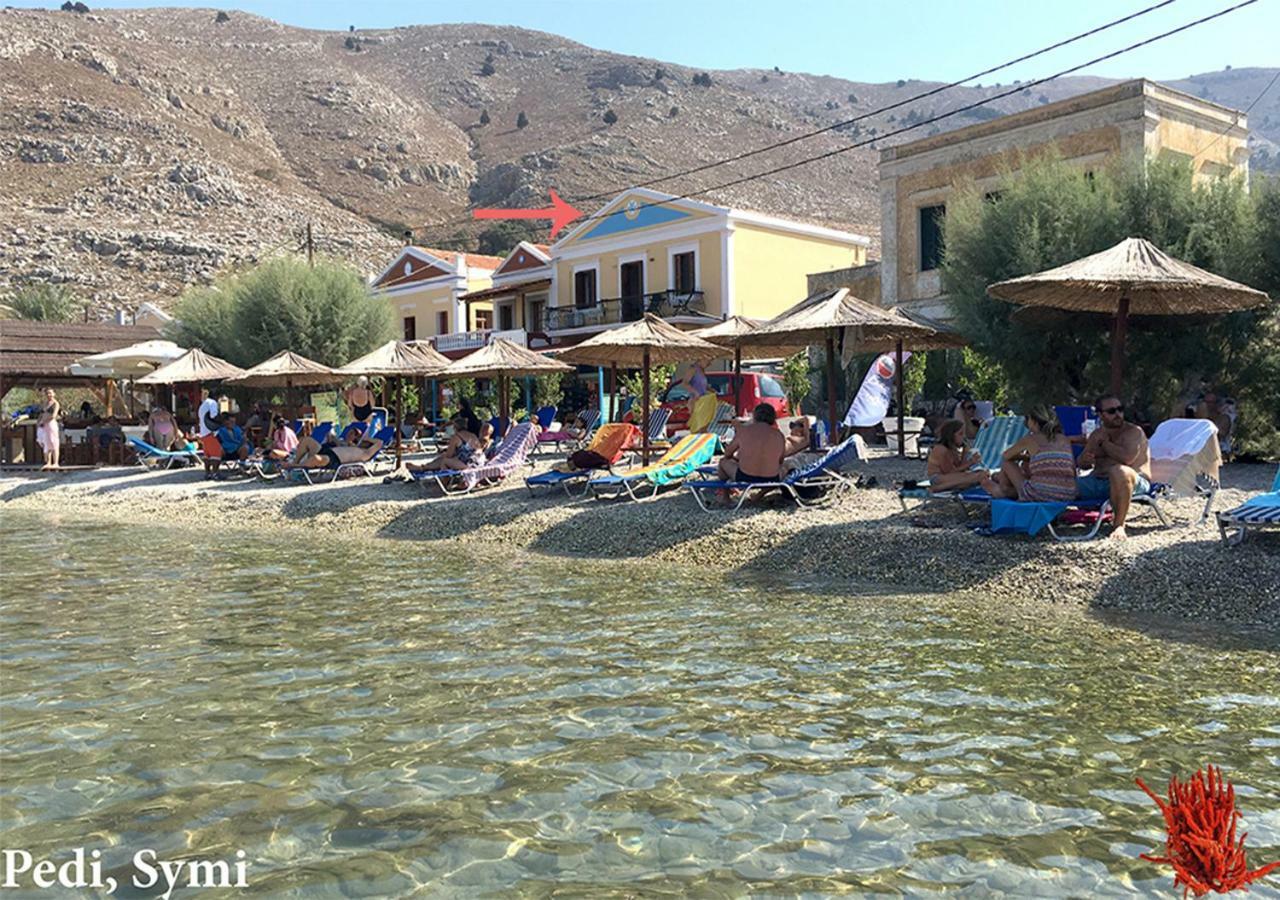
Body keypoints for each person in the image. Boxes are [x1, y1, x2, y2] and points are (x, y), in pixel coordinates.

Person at [1076, 394, 1152, 540]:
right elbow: (1081, 462)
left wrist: (1105, 444)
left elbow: (1127, 459)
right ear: (1100, 415)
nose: (1118, 414)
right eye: (1111, 411)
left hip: (1133, 481)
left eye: (1120, 409)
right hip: (1098, 480)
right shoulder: (1097, 434)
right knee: (1061, 483)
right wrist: (1085, 459)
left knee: (1119, 471)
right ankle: (1048, 519)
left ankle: (1119, 525)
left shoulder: (1133, 432)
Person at [980, 406, 1077, 502]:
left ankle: (1003, 489)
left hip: (1040, 494)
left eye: (1028, 419)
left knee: (1007, 462)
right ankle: (1006, 491)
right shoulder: (1064, 439)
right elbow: (1072, 470)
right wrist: (1029, 458)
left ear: (1034, 422)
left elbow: (1005, 455)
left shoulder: (1030, 439)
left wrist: (1023, 457)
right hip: (1069, 493)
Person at [717, 403, 786, 484]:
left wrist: (739, 459)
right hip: (772, 478)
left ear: (754, 416)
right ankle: (759, 495)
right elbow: (780, 461)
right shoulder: (779, 435)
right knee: (785, 467)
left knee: (723, 461)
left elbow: (727, 454)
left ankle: (726, 495)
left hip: (745, 477)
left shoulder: (744, 431)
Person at [406, 416, 483, 473]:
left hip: (468, 464)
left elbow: (448, 456)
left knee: (445, 460)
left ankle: (445, 480)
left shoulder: (456, 437)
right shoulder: (473, 435)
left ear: (455, 427)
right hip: (478, 461)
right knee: (444, 456)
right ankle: (423, 467)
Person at [926, 420, 986, 493]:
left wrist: (965, 452)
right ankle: (939, 488)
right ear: (951, 435)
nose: (963, 436)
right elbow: (949, 472)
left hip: (949, 477)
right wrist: (971, 462)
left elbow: (961, 468)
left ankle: (952, 486)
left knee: (982, 474)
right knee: (978, 476)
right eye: (960, 434)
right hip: (938, 478)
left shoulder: (953, 449)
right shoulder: (941, 449)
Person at [287, 430, 384, 472]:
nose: (359, 439)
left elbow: (380, 443)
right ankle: (294, 464)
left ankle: (294, 466)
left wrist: (368, 438)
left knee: (316, 458)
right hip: (327, 450)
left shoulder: (365, 454)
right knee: (307, 440)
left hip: (334, 459)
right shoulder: (353, 446)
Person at [36, 388, 61, 469]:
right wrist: (39, 422)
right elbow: (41, 414)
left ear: (54, 394)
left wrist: (45, 421)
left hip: (51, 424)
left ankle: (56, 462)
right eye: (47, 393)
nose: (49, 395)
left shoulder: (56, 404)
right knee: (46, 443)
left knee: (54, 443)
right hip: (44, 425)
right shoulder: (45, 404)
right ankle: (48, 462)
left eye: (50, 393)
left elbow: (53, 416)